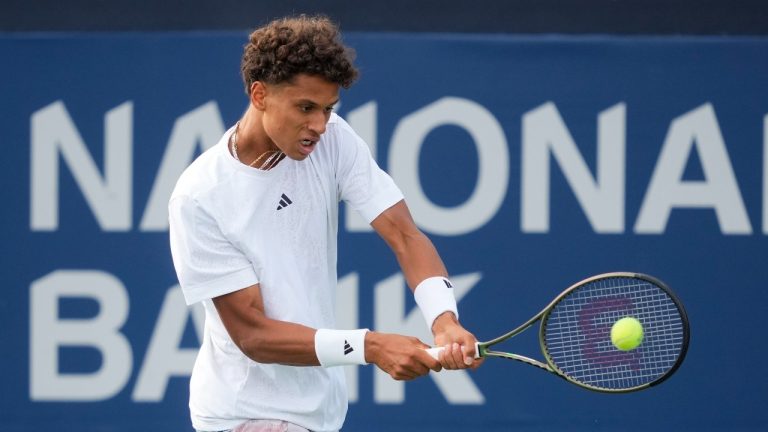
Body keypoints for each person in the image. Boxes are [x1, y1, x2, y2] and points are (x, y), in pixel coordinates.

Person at [168, 14, 480, 432]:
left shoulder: (334, 140)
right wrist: (370, 346)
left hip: (318, 411)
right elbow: (254, 335)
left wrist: (445, 321)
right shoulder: (200, 196)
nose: (318, 125)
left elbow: (404, 235)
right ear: (259, 95)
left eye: (328, 109)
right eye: (305, 107)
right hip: (246, 413)